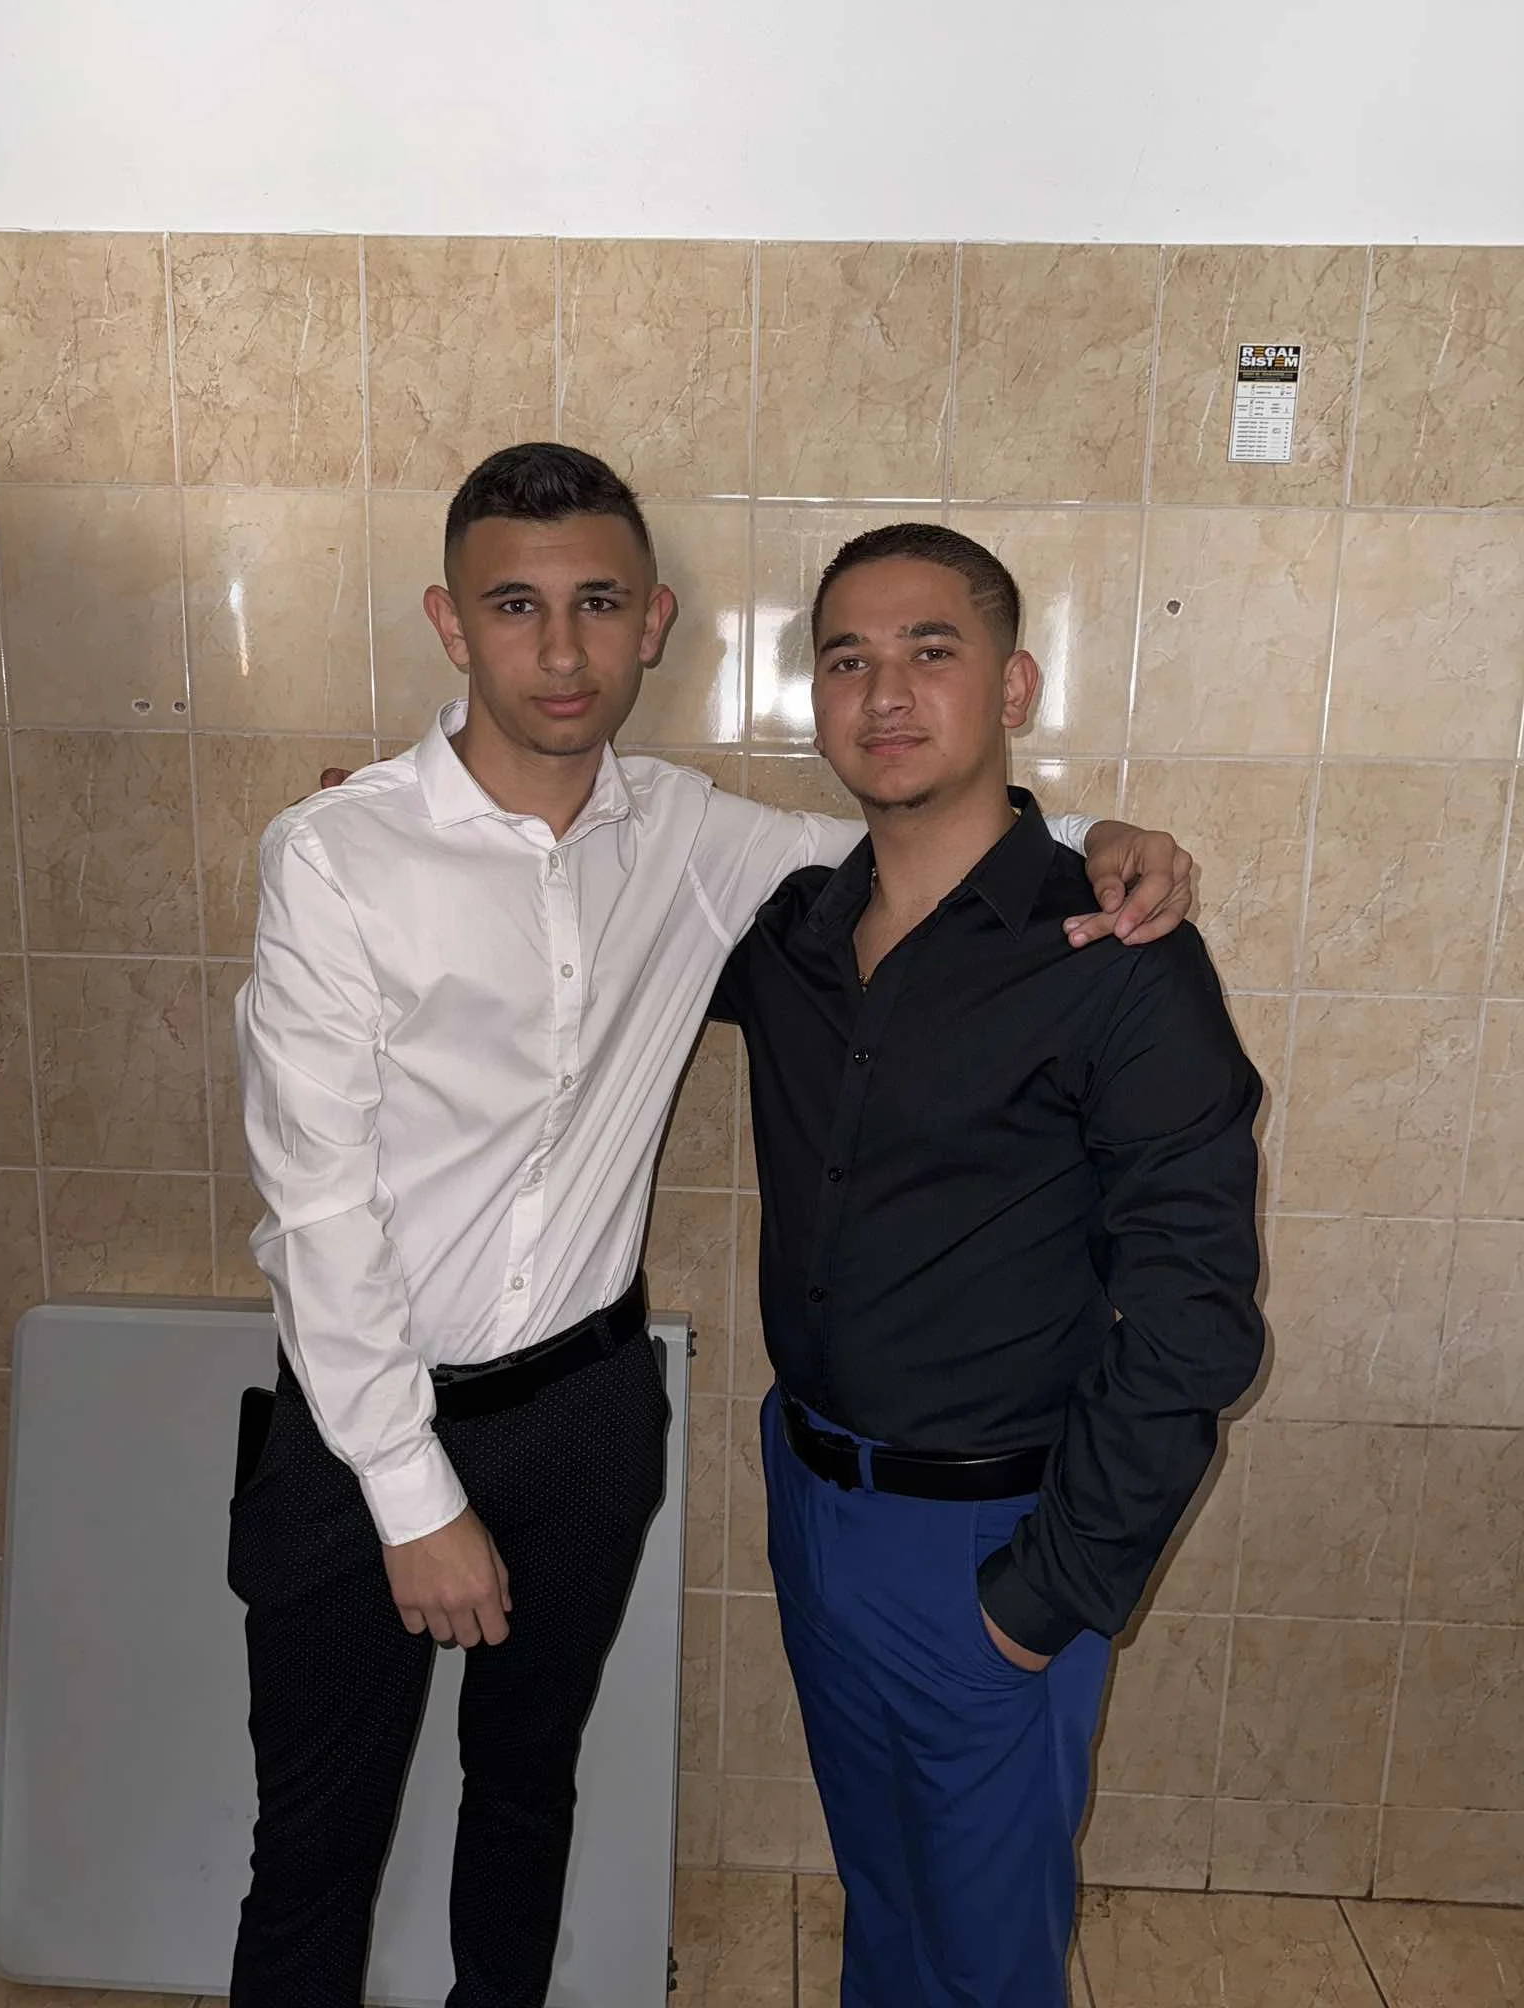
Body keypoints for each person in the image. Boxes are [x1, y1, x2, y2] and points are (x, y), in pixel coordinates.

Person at [229, 444, 1198, 2008]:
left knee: (526, 1796)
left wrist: (1101, 836)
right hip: (360, 1430)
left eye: (599, 604)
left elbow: (926, 849)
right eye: (516, 606)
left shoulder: (693, 840)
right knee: (314, 1846)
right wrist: (410, 1496)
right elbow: (316, 1205)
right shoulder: (339, 855)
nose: (561, 650)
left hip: (586, 1414)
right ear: (450, 622)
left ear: (655, 623)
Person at [710, 522, 1265, 2008]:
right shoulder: (789, 936)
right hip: (813, 1504)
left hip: (993, 1543)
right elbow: (576, 903)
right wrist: (415, 836)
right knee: (883, 1902)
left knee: (985, 1956)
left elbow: (1195, 1317)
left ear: (1013, 685)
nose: (885, 692)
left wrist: (1047, 1593)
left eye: (931, 651)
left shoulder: (1117, 954)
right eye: (848, 660)